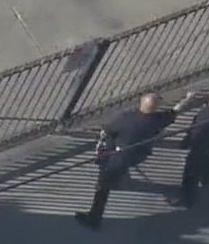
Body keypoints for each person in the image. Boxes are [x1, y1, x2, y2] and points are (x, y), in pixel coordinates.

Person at [74, 91, 195, 231]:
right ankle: (120, 175)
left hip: (119, 156)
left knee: (103, 185)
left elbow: (107, 131)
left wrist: (102, 143)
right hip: (139, 155)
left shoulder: (127, 118)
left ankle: (94, 218)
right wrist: (188, 99)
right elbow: (176, 110)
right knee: (117, 168)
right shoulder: (158, 120)